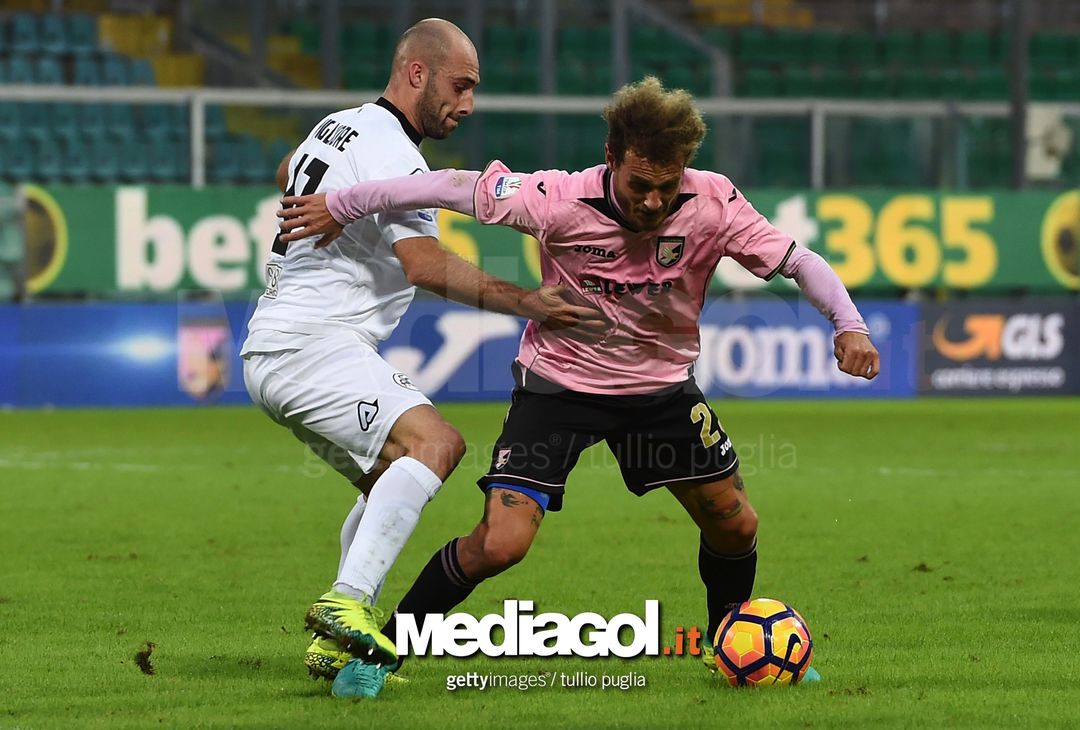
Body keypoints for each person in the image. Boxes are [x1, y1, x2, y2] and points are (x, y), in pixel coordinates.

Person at [277, 76, 879, 697]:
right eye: (639, 183)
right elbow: (448, 186)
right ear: (612, 157)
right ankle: (381, 651)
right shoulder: (557, 198)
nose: (651, 202)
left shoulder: (715, 203)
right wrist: (344, 204)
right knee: (500, 544)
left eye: (666, 186)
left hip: (661, 394)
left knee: (736, 526)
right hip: (558, 389)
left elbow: (800, 260)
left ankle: (732, 645)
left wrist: (849, 325)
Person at [241, 18, 608, 690]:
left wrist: (333, 211)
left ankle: (337, 642)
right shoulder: (398, 159)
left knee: (389, 483)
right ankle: (347, 602)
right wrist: (528, 302)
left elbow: (285, 172)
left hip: (276, 346)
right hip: (311, 343)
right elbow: (426, 265)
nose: (467, 104)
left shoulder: (337, 125)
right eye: (460, 85)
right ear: (417, 72)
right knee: (435, 445)